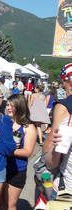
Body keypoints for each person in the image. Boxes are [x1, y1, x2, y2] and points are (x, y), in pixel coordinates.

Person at [0, 94, 36, 210]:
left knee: (10, 205)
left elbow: (28, 152)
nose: (9, 108)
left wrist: (7, 150)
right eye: (7, 104)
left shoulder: (28, 127)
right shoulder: (2, 121)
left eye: (12, 105)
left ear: (19, 107)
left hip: (16, 171)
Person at [43, 63, 72, 195]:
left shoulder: (64, 107)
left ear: (67, 81)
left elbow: (50, 162)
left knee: (44, 178)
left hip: (67, 189)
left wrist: (53, 148)